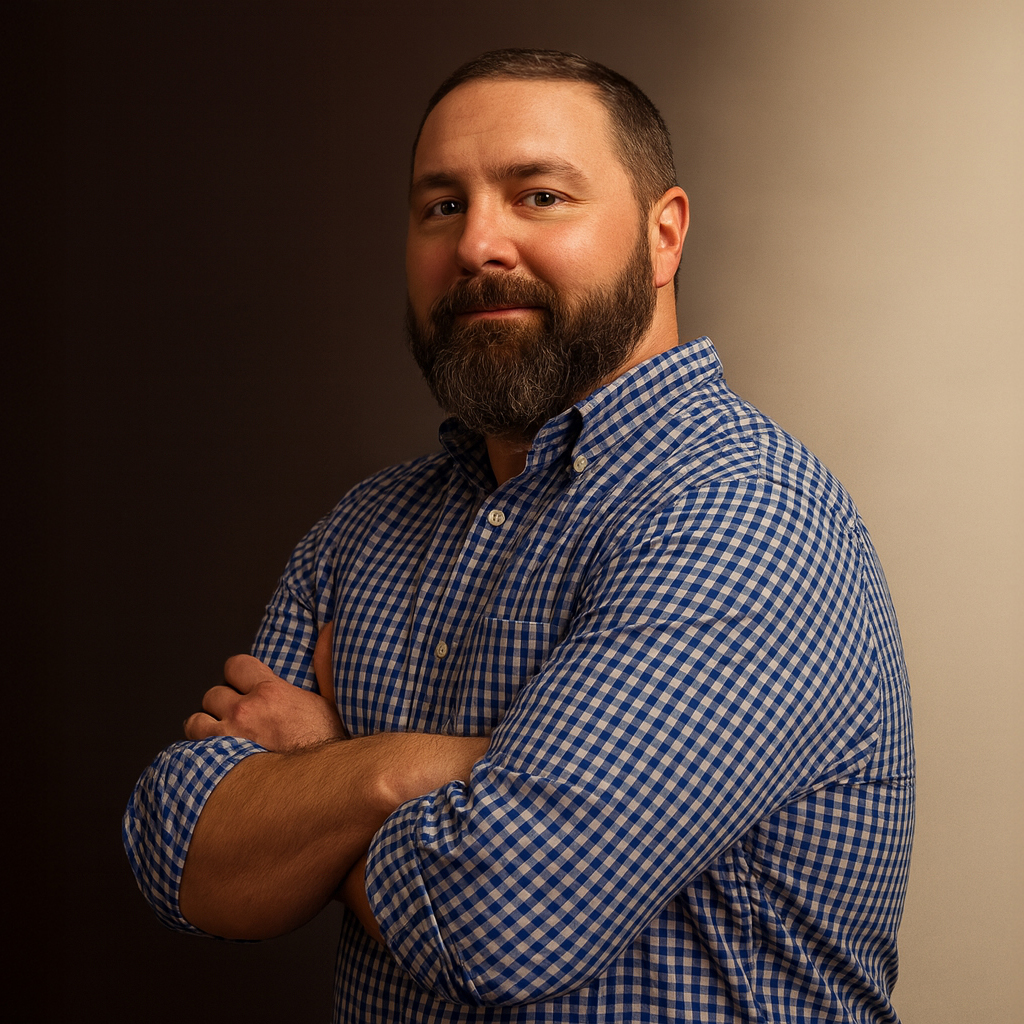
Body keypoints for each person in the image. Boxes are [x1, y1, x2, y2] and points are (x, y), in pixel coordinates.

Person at [124, 48, 915, 1023]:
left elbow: (502, 913)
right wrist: (434, 770)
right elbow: (185, 859)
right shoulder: (362, 530)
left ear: (663, 236)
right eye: (441, 205)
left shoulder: (741, 513)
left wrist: (330, 765)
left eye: (537, 195)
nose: (476, 245)